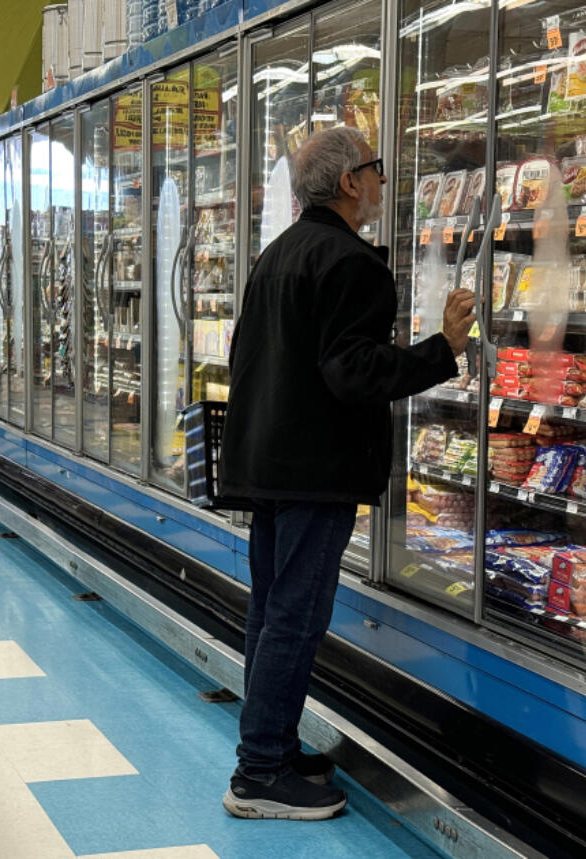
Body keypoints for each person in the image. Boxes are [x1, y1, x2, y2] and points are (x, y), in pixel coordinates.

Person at [218, 126, 476, 821]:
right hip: (314, 469)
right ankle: (259, 772)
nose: (383, 181)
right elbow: (352, 370)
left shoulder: (278, 253)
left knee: (272, 612)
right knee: (295, 617)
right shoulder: (353, 263)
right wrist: (441, 350)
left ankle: (269, 744)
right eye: (376, 169)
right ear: (348, 183)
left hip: (268, 463)